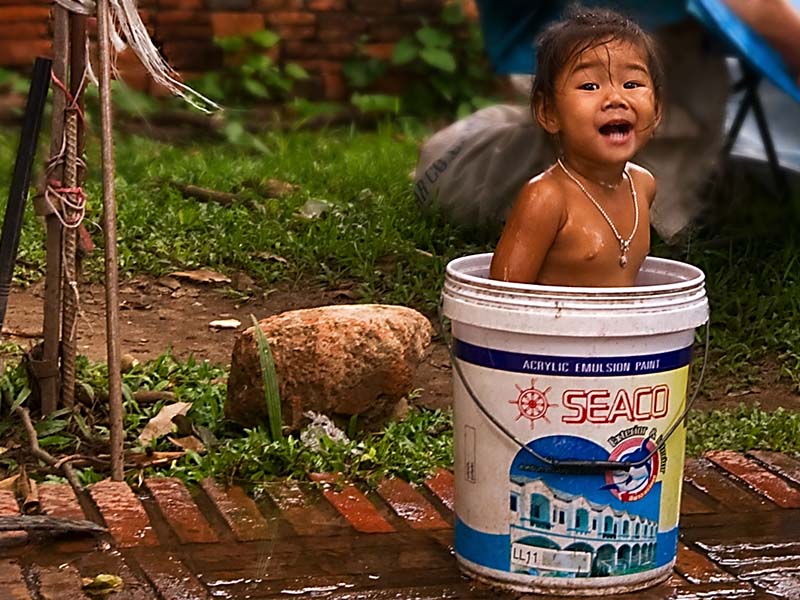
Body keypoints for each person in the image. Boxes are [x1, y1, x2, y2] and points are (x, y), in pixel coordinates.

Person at [489, 7, 662, 287]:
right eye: (590, 86)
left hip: (622, 329)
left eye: (632, 83)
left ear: (657, 112)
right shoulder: (547, 198)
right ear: (549, 113)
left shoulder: (643, 185)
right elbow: (503, 296)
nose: (616, 98)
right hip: (557, 329)